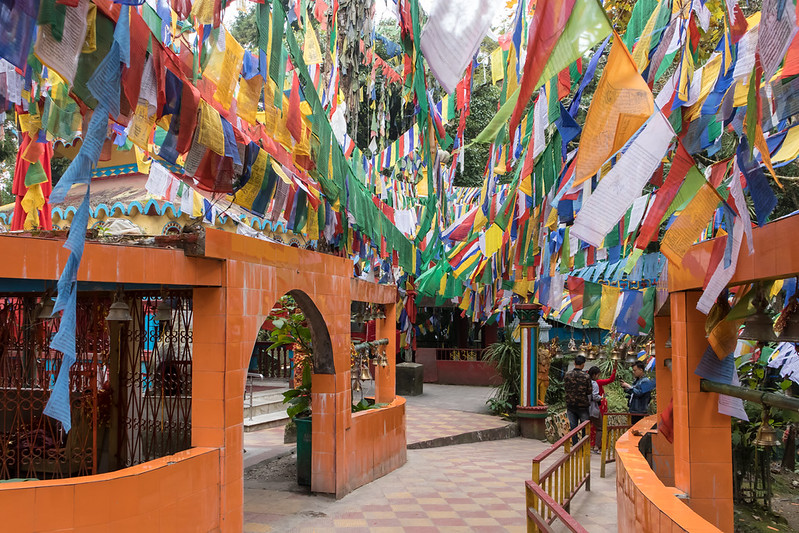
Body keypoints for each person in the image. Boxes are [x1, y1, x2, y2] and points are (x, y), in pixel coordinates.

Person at [564, 355, 593, 444]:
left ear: (574, 363)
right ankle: (583, 446)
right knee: (584, 426)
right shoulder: (586, 376)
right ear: (583, 365)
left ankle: (575, 445)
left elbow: (565, 388)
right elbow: (589, 391)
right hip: (582, 406)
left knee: (573, 427)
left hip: (570, 405)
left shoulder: (567, 375)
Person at [589, 362, 617, 451]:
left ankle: (591, 444)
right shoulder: (598, 382)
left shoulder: (587, 382)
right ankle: (597, 445)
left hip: (589, 406)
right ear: (594, 375)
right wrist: (614, 370)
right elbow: (610, 380)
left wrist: (604, 396)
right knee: (599, 426)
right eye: (598, 375)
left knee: (591, 426)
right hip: (598, 407)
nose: (599, 376)